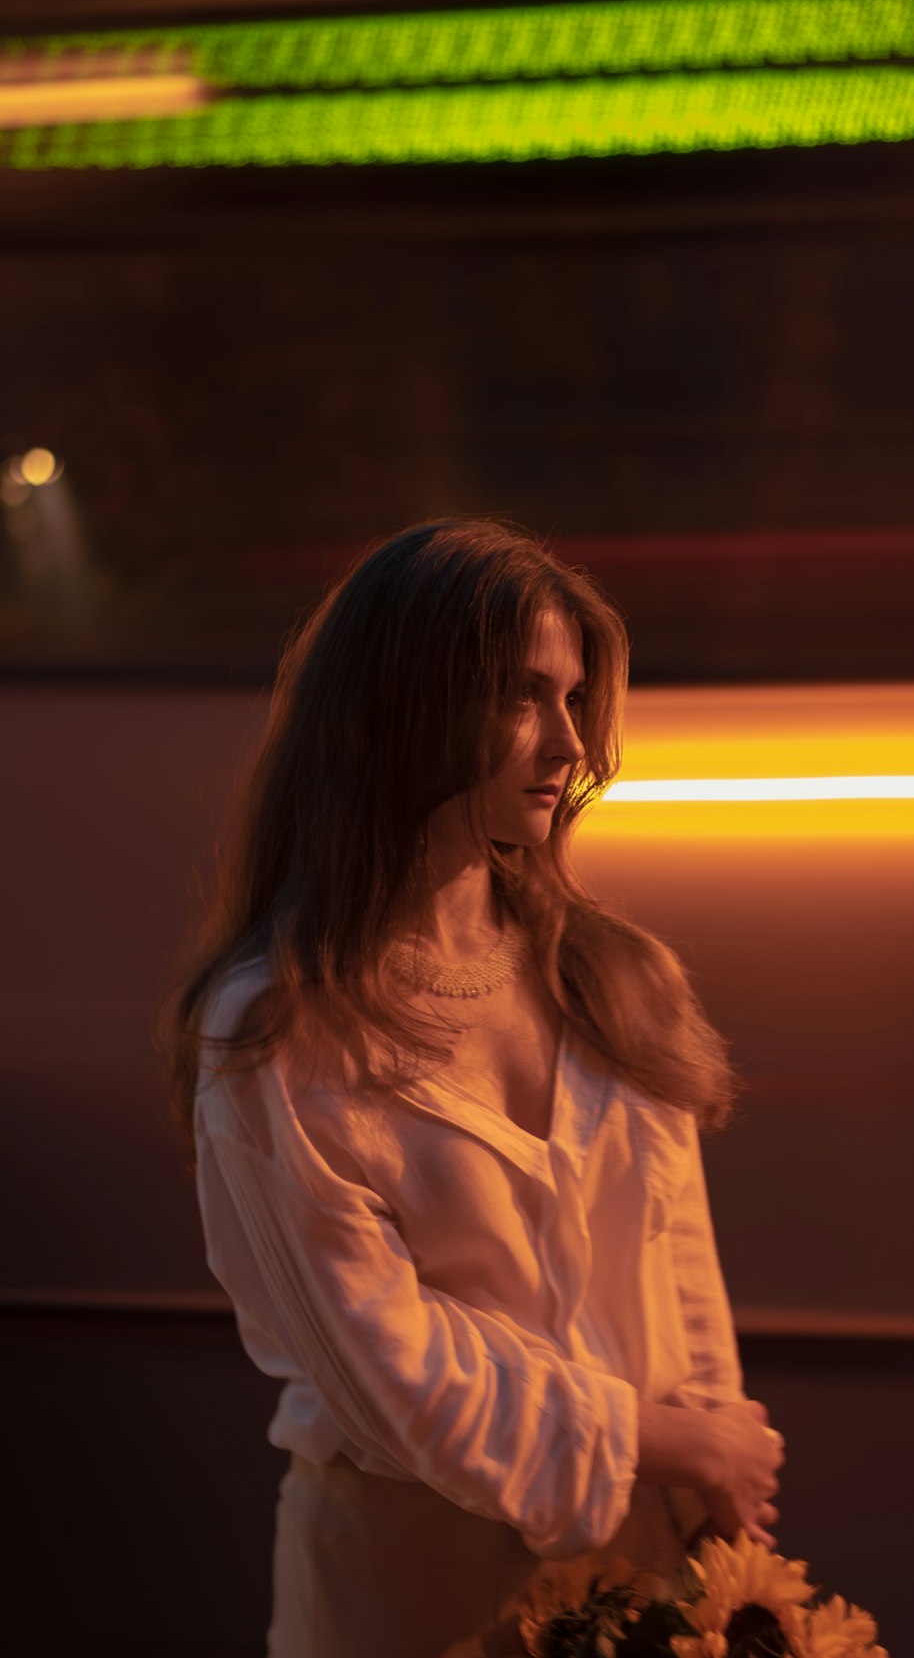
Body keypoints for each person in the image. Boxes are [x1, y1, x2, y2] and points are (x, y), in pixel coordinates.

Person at [160, 517, 785, 1658]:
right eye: (521, 696)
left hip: (644, 1551)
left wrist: (712, 1492)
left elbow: (676, 1261)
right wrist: (655, 1439)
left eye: (574, 697)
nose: (570, 743)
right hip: (412, 1579)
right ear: (398, 709)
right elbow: (385, 1363)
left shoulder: (613, 971)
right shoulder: (279, 1024)